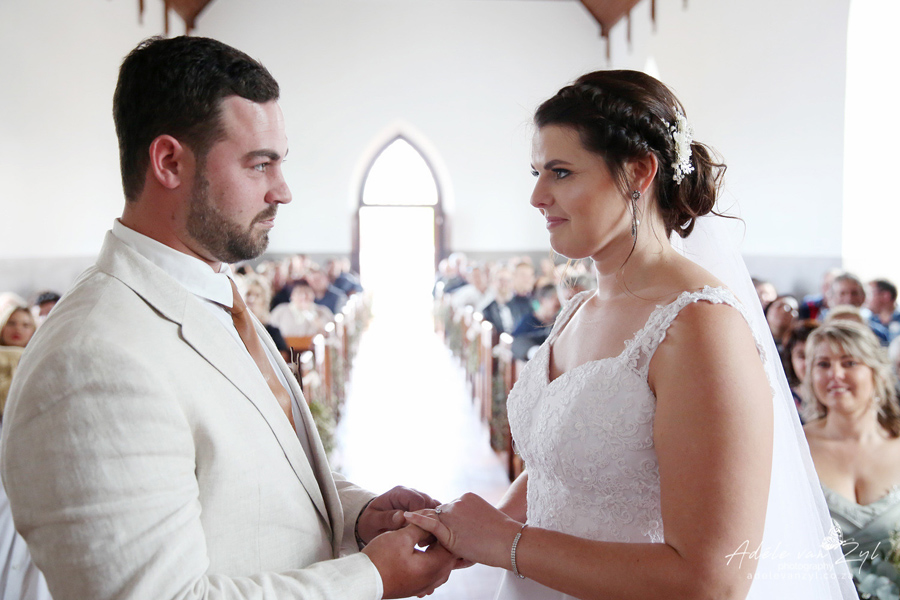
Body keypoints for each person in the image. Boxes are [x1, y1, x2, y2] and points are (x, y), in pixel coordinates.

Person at [0, 36, 456, 600]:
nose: (283, 191)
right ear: (169, 162)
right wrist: (372, 577)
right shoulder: (93, 358)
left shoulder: (211, 294)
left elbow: (247, 480)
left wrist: (357, 516)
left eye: (280, 162)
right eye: (259, 164)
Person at [405, 70, 854, 598]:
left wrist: (504, 540)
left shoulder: (699, 325)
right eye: (536, 172)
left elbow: (713, 579)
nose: (537, 196)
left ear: (639, 172)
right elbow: (565, 463)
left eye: (560, 172)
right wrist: (474, 529)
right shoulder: (578, 310)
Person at [802, 321, 900, 594]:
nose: (835, 374)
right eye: (823, 364)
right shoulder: (796, 447)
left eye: (849, 363)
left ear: (876, 372)